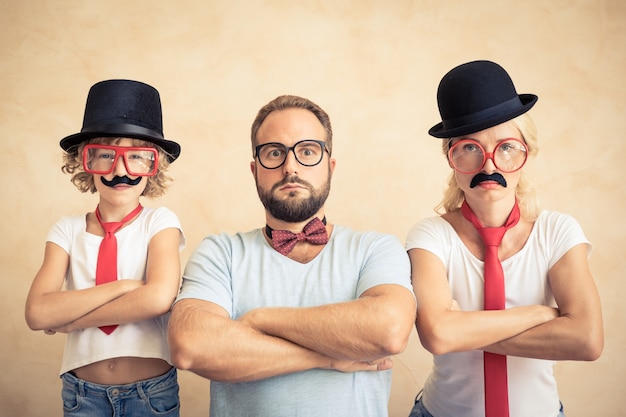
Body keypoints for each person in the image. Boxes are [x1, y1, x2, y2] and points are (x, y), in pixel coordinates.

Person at [167, 94, 417, 417]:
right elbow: (191, 346)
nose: (291, 167)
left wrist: (260, 320)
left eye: (308, 151)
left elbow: (390, 331)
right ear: (255, 170)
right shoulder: (220, 253)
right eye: (274, 153)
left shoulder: (376, 248)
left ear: (330, 166)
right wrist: (326, 358)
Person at [406, 60, 604, 417]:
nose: (489, 166)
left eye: (506, 147)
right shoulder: (431, 235)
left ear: (527, 152)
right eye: (469, 148)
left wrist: (464, 329)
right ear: (450, 158)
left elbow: (588, 340)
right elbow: (437, 335)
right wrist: (543, 315)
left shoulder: (557, 232)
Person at [25, 79, 186, 417]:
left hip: (150, 393)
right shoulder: (66, 230)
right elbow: (38, 312)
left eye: (137, 158)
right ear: (86, 162)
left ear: (153, 165)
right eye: (105, 156)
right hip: (82, 395)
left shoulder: (160, 223)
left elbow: (158, 298)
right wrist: (125, 288)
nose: (120, 170)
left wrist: (75, 319)